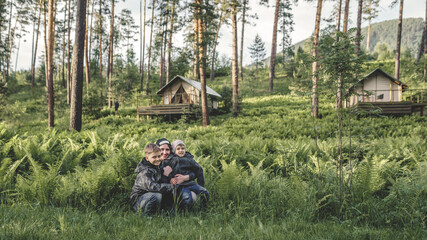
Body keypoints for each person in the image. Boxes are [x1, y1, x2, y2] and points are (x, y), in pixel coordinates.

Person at [163, 140, 209, 209]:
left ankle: (203, 208)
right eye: (178, 149)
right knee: (187, 198)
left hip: (191, 183)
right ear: (174, 151)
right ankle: (186, 212)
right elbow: (166, 171)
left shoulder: (189, 159)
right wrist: (170, 178)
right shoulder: (171, 160)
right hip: (181, 186)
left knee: (205, 192)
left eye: (183, 148)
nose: (181, 150)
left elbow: (198, 170)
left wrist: (201, 184)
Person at [130, 144, 173, 217]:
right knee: (156, 195)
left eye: (159, 156)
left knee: (167, 191)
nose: (157, 159)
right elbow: (152, 187)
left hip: (148, 197)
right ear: (147, 158)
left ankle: (168, 213)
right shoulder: (145, 171)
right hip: (138, 201)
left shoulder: (157, 167)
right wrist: (170, 187)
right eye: (154, 157)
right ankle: (147, 216)